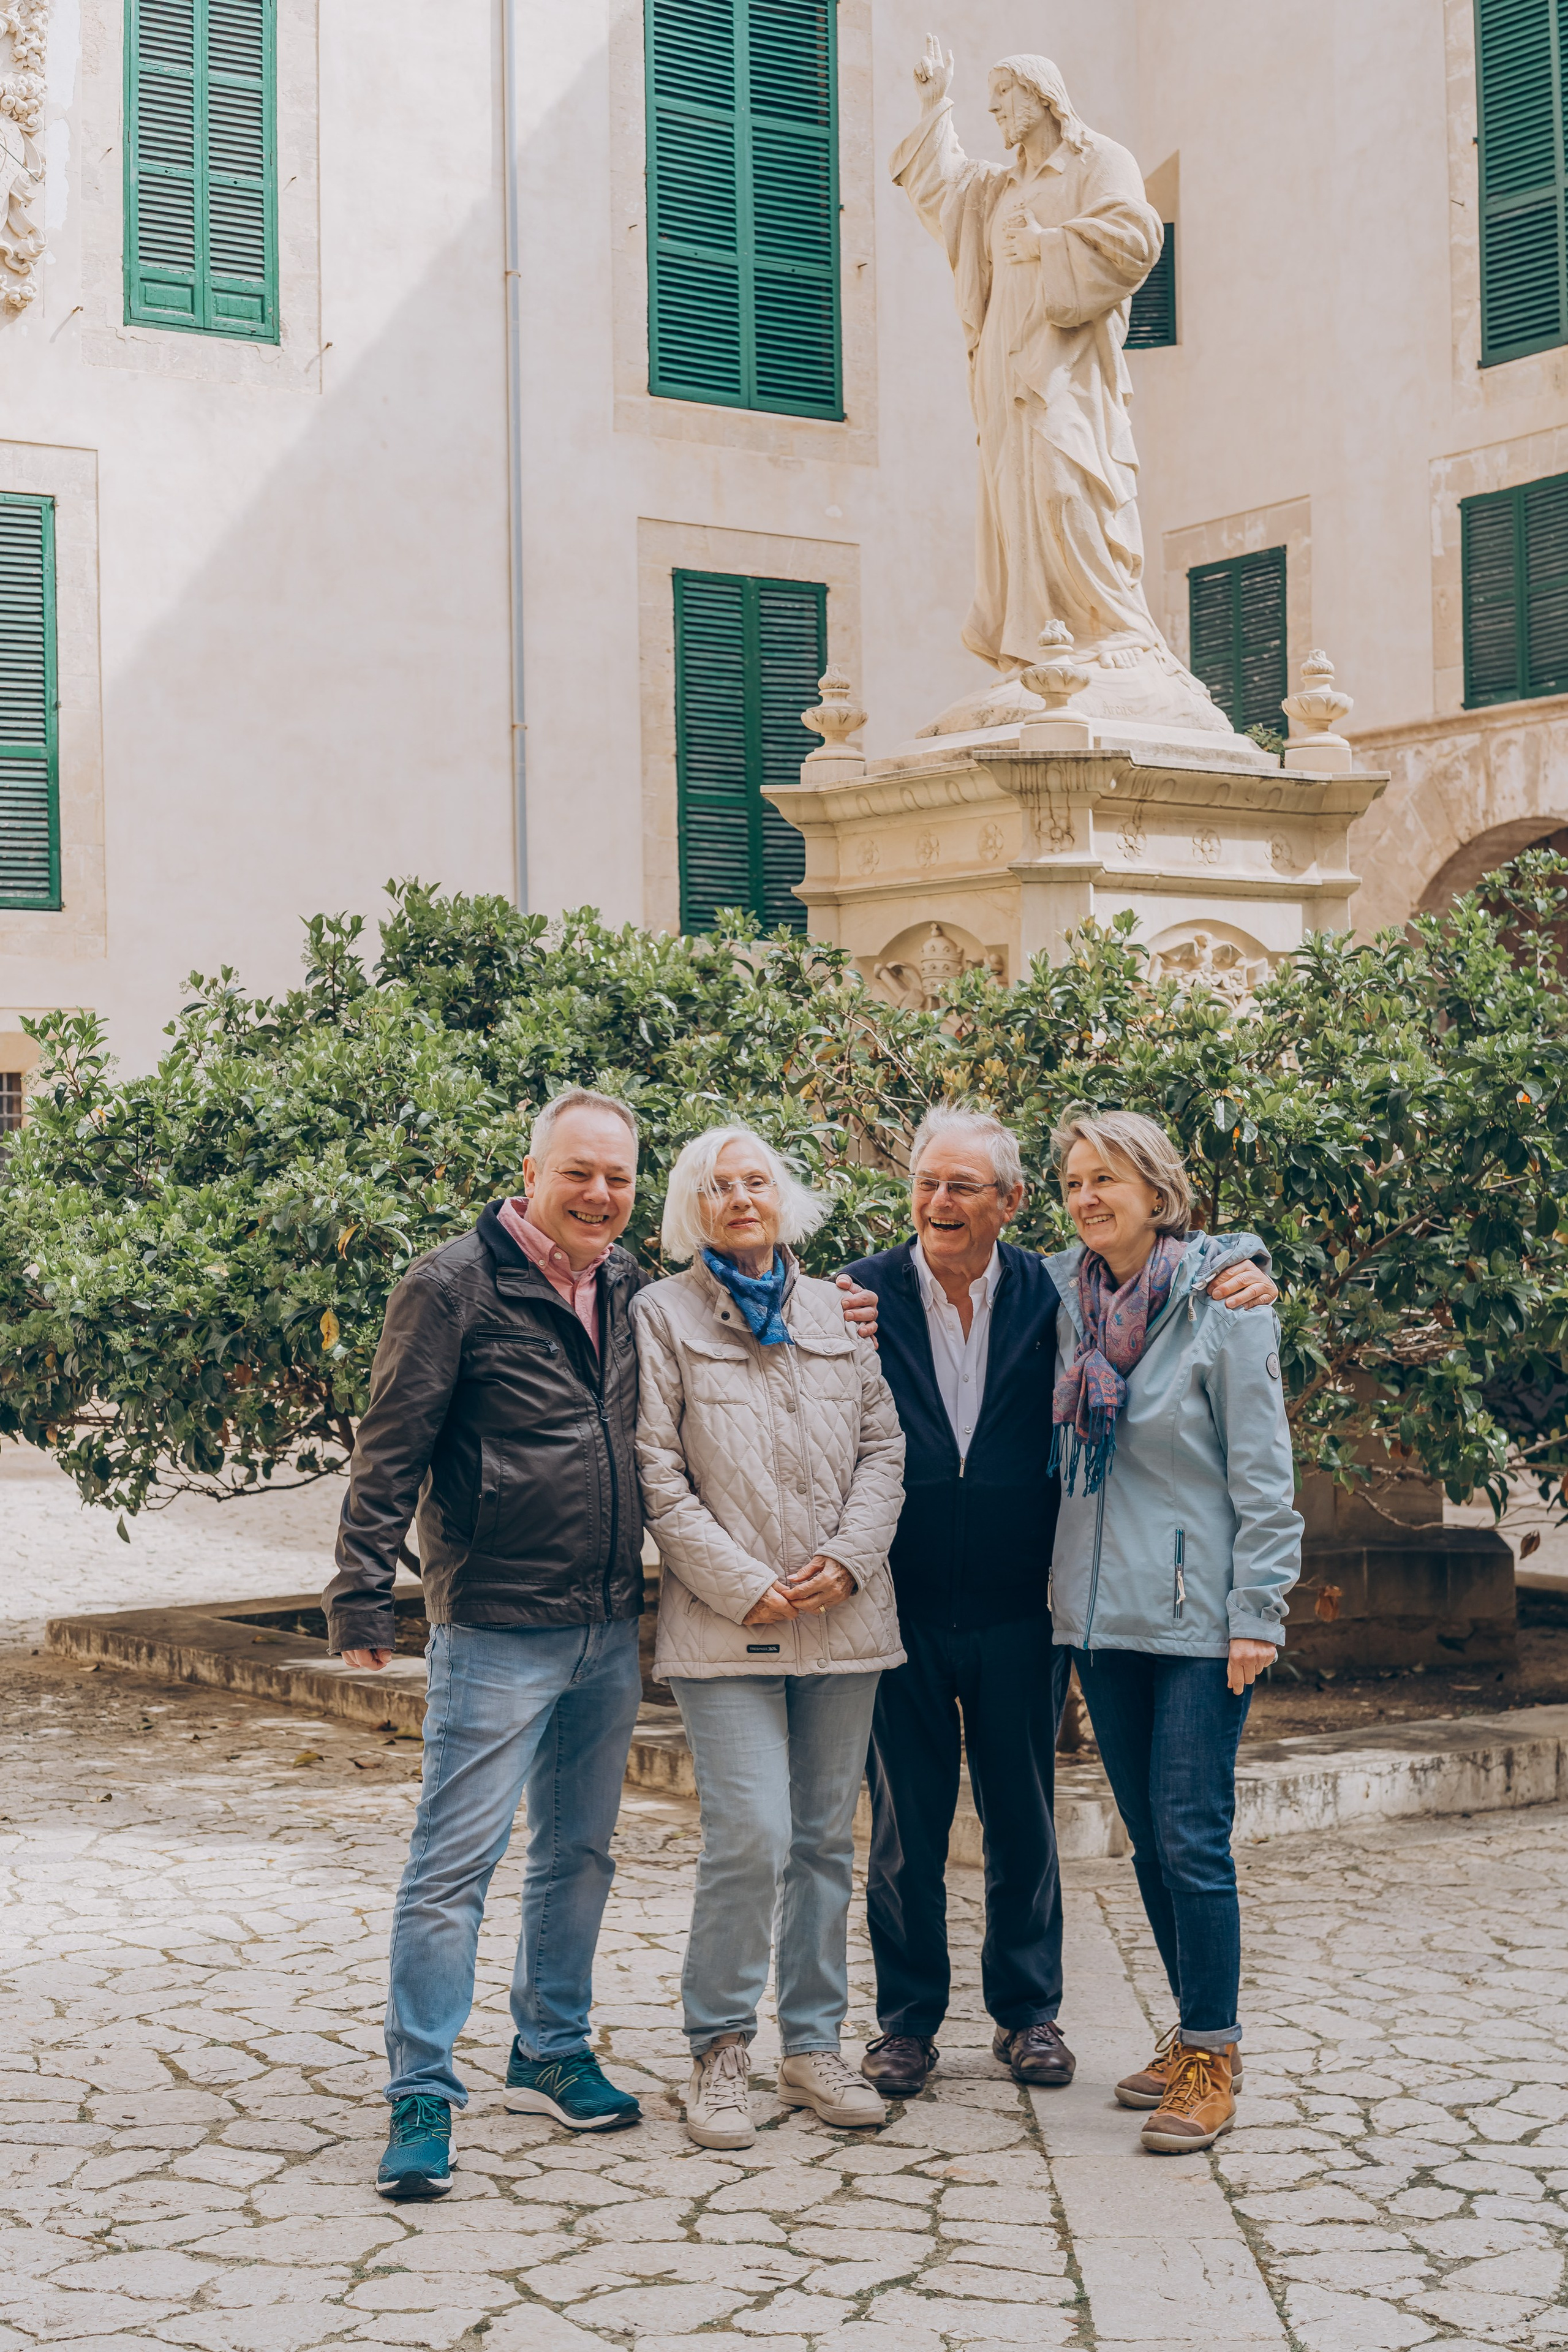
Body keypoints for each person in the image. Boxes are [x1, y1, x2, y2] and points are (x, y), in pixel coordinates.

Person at [839, 1106, 1277, 2101]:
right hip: (904, 1604)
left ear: (1008, 1203)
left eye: (964, 1187)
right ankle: (905, 2025)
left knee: (1027, 1818)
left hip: (1025, 1605)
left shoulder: (1052, 1291)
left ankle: (1030, 2015)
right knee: (905, 1822)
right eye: (926, 1183)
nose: (940, 1203)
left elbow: (1189, 1276)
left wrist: (1248, 1264)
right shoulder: (859, 1293)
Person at [635, 1125, 907, 2150]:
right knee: (751, 1834)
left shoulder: (837, 1305)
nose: (740, 1198)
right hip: (725, 1623)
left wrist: (848, 1558)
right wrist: (745, 1585)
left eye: (757, 1182)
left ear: (784, 1198)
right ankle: (717, 2052)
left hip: (846, 1617)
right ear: (691, 1209)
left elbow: (885, 1445)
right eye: (718, 1186)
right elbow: (656, 1469)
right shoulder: (658, 1316)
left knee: (827, 1840)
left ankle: (811, 2045)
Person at [1047, 1109, 1302, 2154]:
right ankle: (1195, 2027)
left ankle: (1214, 2054)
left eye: (1106, 1178)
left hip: (1204, 1621)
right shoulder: (1064, 1297)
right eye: (1072, 1183)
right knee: (1150, 1835)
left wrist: (1259, 1612)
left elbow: (1265, 1477)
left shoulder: (1225, 1309)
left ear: (1158, 1191)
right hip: (1104, 1620)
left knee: (1191, 1834)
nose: (1087, 1198)